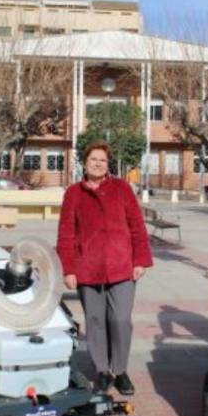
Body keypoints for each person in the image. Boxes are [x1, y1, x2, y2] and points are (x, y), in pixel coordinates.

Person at [56, 141, 153, 395]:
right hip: (88, 268)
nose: (98, 163)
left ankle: (120, 370)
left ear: (108, 165)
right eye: (93, 159)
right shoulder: (73, 194)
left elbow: (137, 226)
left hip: (121, 266)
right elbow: (66, 234)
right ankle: (102, 370)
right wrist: (69, 269)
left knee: (120, 320)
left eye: (102, 160)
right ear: (84, 163)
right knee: (95, 321)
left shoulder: (121, 189)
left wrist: (140, 260)